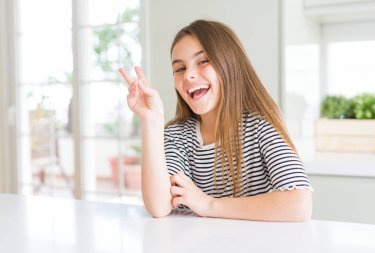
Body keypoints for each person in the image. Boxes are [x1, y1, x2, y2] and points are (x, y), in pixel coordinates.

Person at [119, 19, 312, 221]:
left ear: (230, 65)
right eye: (180, 68)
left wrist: (209, 204)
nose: (189, 75)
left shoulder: (260, 127)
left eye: (203, 61)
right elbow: (159, 206)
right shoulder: (177, 135)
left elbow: (299, 204)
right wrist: (152, 121)